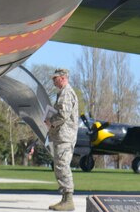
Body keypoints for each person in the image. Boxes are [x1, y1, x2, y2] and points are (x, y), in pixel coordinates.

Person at [46, 68, 79, 211]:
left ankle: (68, 200)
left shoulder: (66, 93)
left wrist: (50, 121)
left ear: (63, 78)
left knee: (62, 166)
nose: (53, 81)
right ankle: (65, 199)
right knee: (59, 165)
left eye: (55, 78)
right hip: (61, 136)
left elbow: (62, 115)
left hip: (65, 137)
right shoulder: (62, 93)